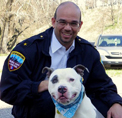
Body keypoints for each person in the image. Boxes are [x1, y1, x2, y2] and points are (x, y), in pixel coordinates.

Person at [0, 1, 122, 118]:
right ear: (53, 22)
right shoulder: (28, 50)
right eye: (62, 22)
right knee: (47, 100)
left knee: (110, 110)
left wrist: (116, 103)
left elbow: (103, 85)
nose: (68, 28)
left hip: (78, 109)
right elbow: (7, 90)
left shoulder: (88, 52)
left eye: (73, 23)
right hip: (37, 110)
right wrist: (39, 86)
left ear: (80, 25)